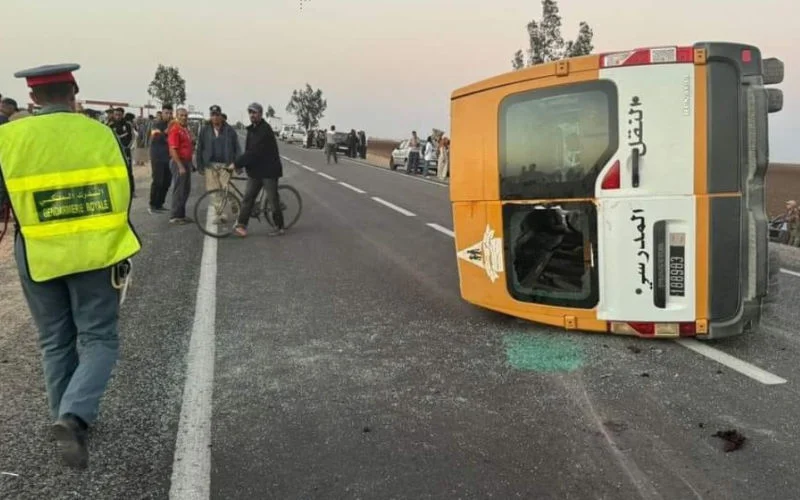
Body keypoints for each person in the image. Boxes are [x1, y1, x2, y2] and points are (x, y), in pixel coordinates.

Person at [0, 63, 141, 469]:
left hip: (39, 255)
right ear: (74, 90)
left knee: (55, 341)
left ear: (32, 99)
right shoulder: (101, 133)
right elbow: (125, 189)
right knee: (98, 339)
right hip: (95, 253)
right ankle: (73, 416)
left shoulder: (8, 137)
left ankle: (64, 414)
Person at [231, 102, 284, 237]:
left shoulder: (264, 130)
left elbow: (254, 152)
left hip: (269, 171)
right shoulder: (252, 129)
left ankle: (279, 226)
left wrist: (237, 164)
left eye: (254, 112)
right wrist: (242, 165)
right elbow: (249, 151)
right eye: (250, 112)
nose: (252, 115)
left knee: (273, 201)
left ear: (260, 114)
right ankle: (242, 226)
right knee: (248, 198)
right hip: (256, 171)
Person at [196, 105, 241, 220]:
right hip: (210, 165)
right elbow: (199, 148)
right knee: (213, 191)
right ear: (210, 116)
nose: (215, 117)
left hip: (226, 165)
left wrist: (237, 165)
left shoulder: (229, 130)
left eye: (217, 115)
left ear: (221, 116)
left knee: (228, 189)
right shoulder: (205, 130)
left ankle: (235, 204)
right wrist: (200, 165)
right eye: (213, 115)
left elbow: (237, 148)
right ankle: (221, 214)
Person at [167, 107, 195, 224]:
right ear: (176, 116)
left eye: (185, 115)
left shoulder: (185, 129)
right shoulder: (175, 130)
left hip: (186, 162)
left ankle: (181, 215)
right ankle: (175, 216)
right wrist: (180, 166)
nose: (184, 117)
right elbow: (173, 149)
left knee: (185, 190)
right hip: (179, 162)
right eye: (181, 115)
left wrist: (191, 164)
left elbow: (188, 147)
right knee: (179, 190)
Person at [148, 103, 173, 214]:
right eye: (166, 113)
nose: (168, 115)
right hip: (158, 157)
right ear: (162, 113)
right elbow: (155, 137)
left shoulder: (172, 125)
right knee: (158, 181)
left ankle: (160, 204)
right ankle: (153, 205)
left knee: (167, 182)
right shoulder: (156, 124)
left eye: (170, 113)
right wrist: (165, 132)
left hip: (168, 157)